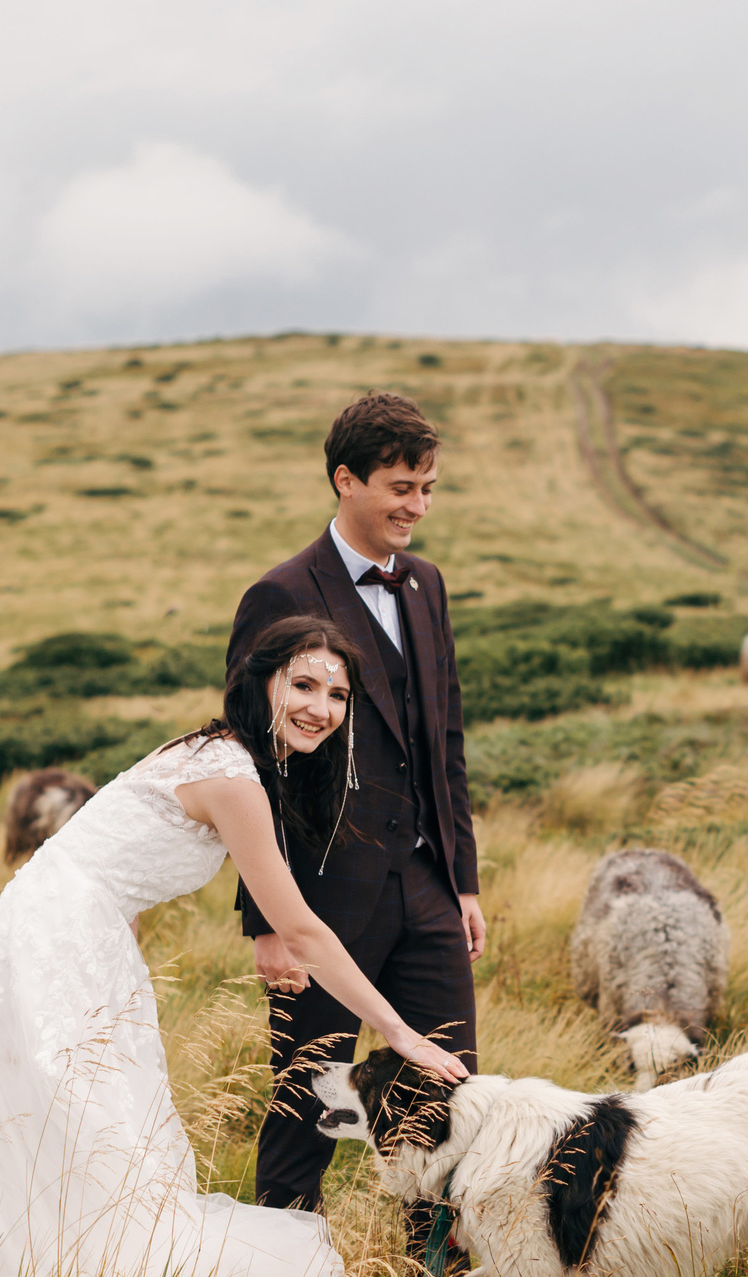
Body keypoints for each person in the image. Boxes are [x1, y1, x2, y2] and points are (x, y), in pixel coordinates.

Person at [0, 615, 467, 1277]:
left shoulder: (228, 756)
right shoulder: (232, 775)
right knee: (98, 1133)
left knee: (105, 1133)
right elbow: (304, 930)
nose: (321, 707)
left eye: (338, 695)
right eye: (303, 684)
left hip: (75, 934)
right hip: (52, 943)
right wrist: (401, 1034)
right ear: (261, 680)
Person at [223, 393, 484, 1231]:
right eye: (402, 486)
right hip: (326, 896)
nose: (417, 505)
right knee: (309, 1096)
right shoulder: (279, 592)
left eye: (429, 488)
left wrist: (463, 882)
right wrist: (265, 920)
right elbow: (251, 762)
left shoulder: (428, 586)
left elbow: (443, 736)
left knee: (447, 1088)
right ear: (346, 479)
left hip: (429, 889)